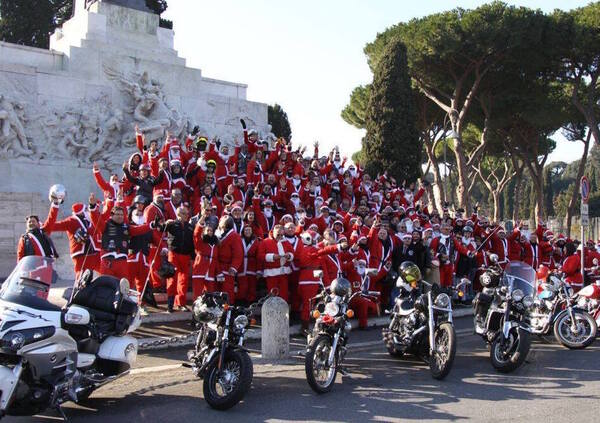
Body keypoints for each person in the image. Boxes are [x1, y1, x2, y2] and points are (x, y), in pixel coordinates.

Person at [91, 200, 154, 279]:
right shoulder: (105, 226)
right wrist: (92, 208)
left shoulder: (126, 227)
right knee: (106, 283)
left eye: (121, 215)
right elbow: (96, 219)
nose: (120, 216)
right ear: (112, 215)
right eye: (117, 214)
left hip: (122, 261)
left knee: (123, 284)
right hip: (108, 261)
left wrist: (151, 225)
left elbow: (138, 229)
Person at [44, 194, 100, 279]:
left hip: (95, 253)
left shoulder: (90, 220)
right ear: (81, 211)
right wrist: (42, 225)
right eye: (85, 209)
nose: (87, 211)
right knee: (81, 277)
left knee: (105, 272)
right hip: (81, 255)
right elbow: (53, 226)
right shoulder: (71, 221)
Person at [161, 206, 195, 312]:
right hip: (174, 254)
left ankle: (181, 303)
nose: (186, 216)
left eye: (187, 213)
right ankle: (170, 304)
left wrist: (192, 256)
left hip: (185, 255)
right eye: (184, 213)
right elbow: (161, 229)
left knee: (184, 280)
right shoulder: (172, 224)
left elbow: (192, 242)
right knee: (172, 279)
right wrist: (165, 223)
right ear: (179, 214)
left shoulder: (190, 226)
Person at [258, 224, 295, 301]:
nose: (280, 237)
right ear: (273, 232)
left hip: (283, 273)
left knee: (284, 294)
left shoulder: (285, 242)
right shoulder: (265, 242)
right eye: (278, 234)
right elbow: (260, 256)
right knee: (273, 293)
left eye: (281, 235)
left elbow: (292, 253)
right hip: (271, 273)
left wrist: (289, 256)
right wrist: (272, 257)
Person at [215, 215, 244, 304]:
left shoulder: (234, 236)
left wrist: (234, 267)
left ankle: (227, 308)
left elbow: (238, 254)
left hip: (227, 268)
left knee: (227, 290)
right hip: (217, 266)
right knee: (216, 289)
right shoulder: (217, 234)